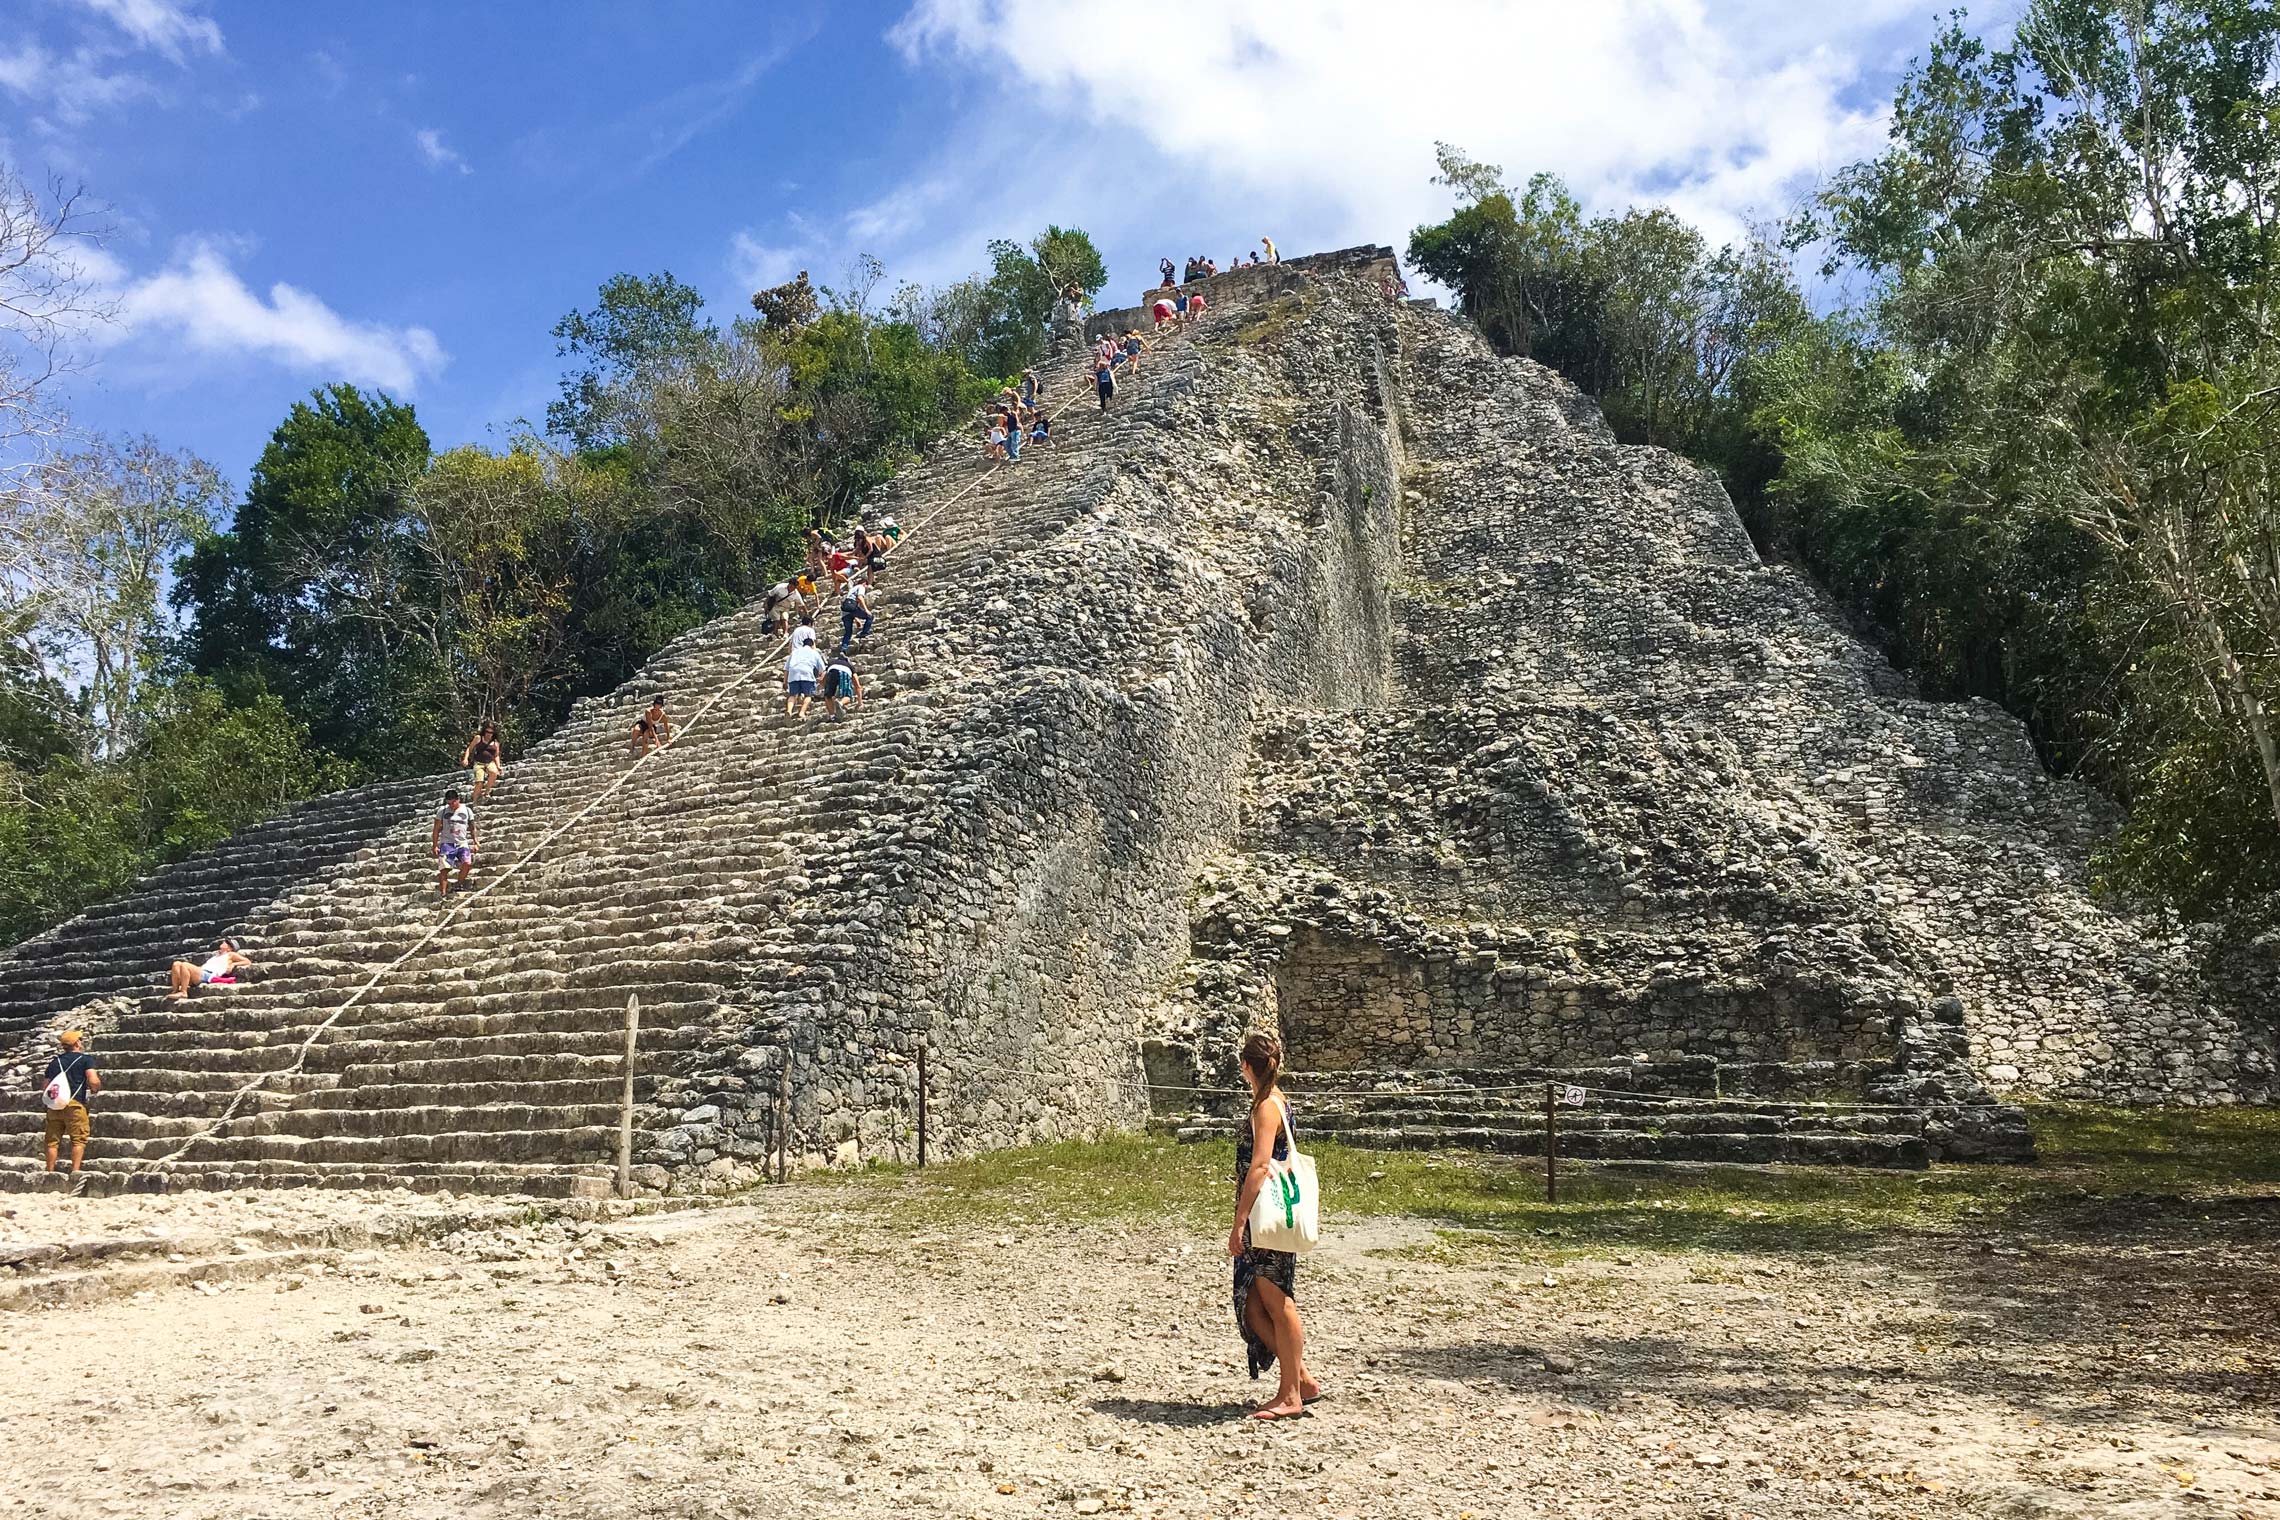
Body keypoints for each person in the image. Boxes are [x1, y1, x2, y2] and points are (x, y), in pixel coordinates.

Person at [1229, 1029, 1319, 1420]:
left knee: (1277, 1300)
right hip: (1265, 1215)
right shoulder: (1272, 1101)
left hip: (1265, 1217)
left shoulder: (1266, 1107)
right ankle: (1301, 1379)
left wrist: (1239, 1220)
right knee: (1253, 1303)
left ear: (1247, 1066)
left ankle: (1291, 1394)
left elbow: (1261, 1165)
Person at [40, 1029, 100, 1178]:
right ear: (77, 1043)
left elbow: (45, 1086)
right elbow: (92, 1079)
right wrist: (95, 1088)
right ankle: (75, 1171)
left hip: (55, 1105)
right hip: (74, 1104)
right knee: (78, 1139)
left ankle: (50, 1172)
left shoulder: (55, 1062)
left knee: (52, 1140)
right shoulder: (85, 1059)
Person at [431, 786, 477, 899]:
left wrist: (476, 841)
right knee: (444, 868)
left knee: (467, 863)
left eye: (453, 803)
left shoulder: (467, 810)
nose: (451, 805)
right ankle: (443, 892)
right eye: (449, 803)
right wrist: (435, 845)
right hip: (447, 842)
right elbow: (436, 828)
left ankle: (459, 883)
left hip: (462, 842)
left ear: (458, 800)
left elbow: (472, 827)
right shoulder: (442, 811)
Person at [168, 938, 250, 1001]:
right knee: (176, 964)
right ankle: (175, 990)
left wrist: (233, 964)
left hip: (208, 975)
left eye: (227, 943)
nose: (224, 942)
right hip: (202, 972)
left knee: (185, 965)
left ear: (230, 948)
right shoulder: (216, 955)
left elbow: (247, 961)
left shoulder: (230, 954)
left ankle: (183, 992)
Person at [461, 722, 503, 804]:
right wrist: (466, 759)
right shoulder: (478, 738)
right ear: (484, 731)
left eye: (491, 732)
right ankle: (475, 801)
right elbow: (470, 748)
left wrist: (498, 766)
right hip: (479, 763)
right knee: (479, 782)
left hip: (490, 762)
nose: (489, 734)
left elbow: (496, 755)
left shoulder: (496, 743)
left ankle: (487, 791)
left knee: (494, 772)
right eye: (487, 731)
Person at [784, 640, 825, 719]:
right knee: (808, 695)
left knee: (793, 695)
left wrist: (785, 682)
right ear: (812, 645)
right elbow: (822, 669)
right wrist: (820, 679)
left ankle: (789, 710)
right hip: (807, 673)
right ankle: (802, 712)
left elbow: (786, 669)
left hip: (793, 674)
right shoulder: (814, 653)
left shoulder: (794, 652)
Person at [821, 652, 863, 720]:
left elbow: (822, 678)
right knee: (848, 695)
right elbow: (857, 685)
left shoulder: (831, 662)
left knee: (828, 696)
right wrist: (860, 703)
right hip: (844, 672)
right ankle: (841, 703)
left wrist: (826, 688)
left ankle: (832, 716)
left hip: (831, 671)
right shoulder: (849, 666)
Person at [839, 576, 874, 651]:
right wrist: (866, 610)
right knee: (870, 616)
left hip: (845, 612)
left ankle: (844, 648)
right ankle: (864, 632)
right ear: (864, 583)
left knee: (848, 632)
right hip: (852, 608)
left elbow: (850, 607)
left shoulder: (852, 590)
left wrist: (856, 618)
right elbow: (860, 598)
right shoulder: (861, 587)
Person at [1094, 341, 1116, 411]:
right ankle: (1109, 401)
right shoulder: (1108, 371)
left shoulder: (1098, 373)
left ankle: (1103, 407)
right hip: (1108, 384)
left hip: (1101, 385)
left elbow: (1096, 381)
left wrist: (1095, 388)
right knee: (1109, 394)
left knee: (1102, 397)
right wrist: (1115, 386)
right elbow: (1112, 378)